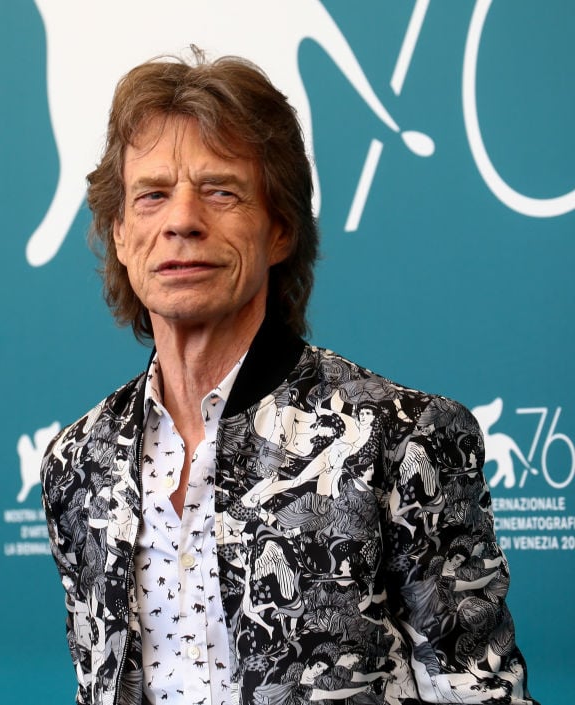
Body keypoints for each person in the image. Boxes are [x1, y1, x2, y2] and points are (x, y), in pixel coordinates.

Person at [40, 49, 535, 705]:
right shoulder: (79, 462)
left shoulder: (399, 437)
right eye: (152, 194)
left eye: (221, 190)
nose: (182, 220)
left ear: (279, 230)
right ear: (122, 236)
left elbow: (481, 695)